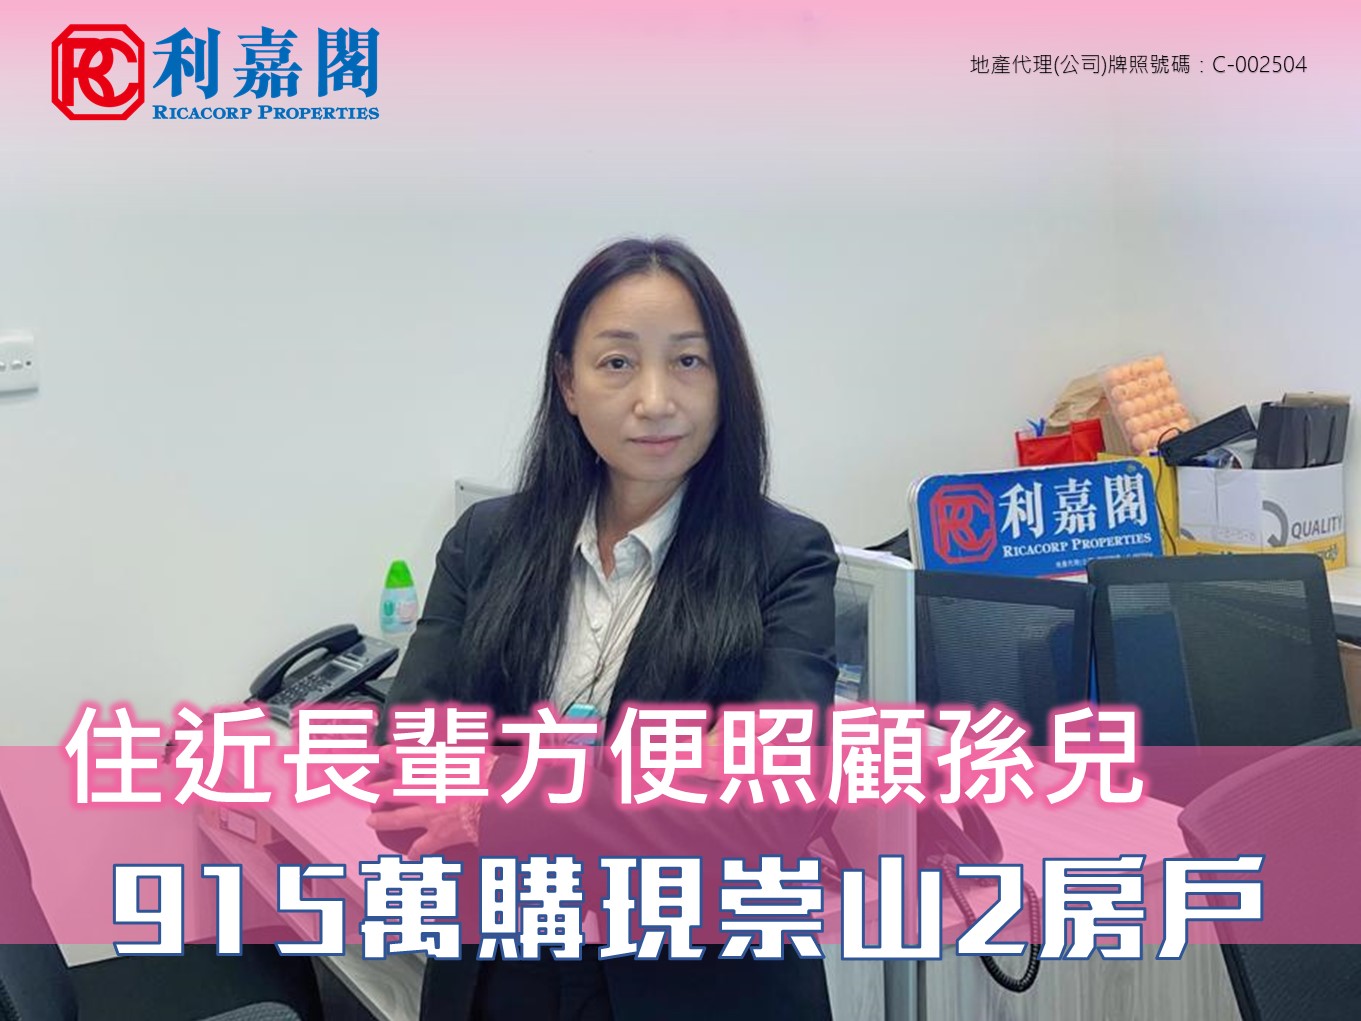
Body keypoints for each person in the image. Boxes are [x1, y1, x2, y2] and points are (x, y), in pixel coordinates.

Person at [372, 237, 839, 1020]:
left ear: (725, 380)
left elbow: (762, 819)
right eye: (617, 362)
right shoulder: (486, 542)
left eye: (688, 361)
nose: (654, 399)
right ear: (568, 382)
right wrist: (658, 781)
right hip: (501, 976)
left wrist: (497, 804)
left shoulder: (785, 557)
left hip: (700, 988)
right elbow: (405, 785)